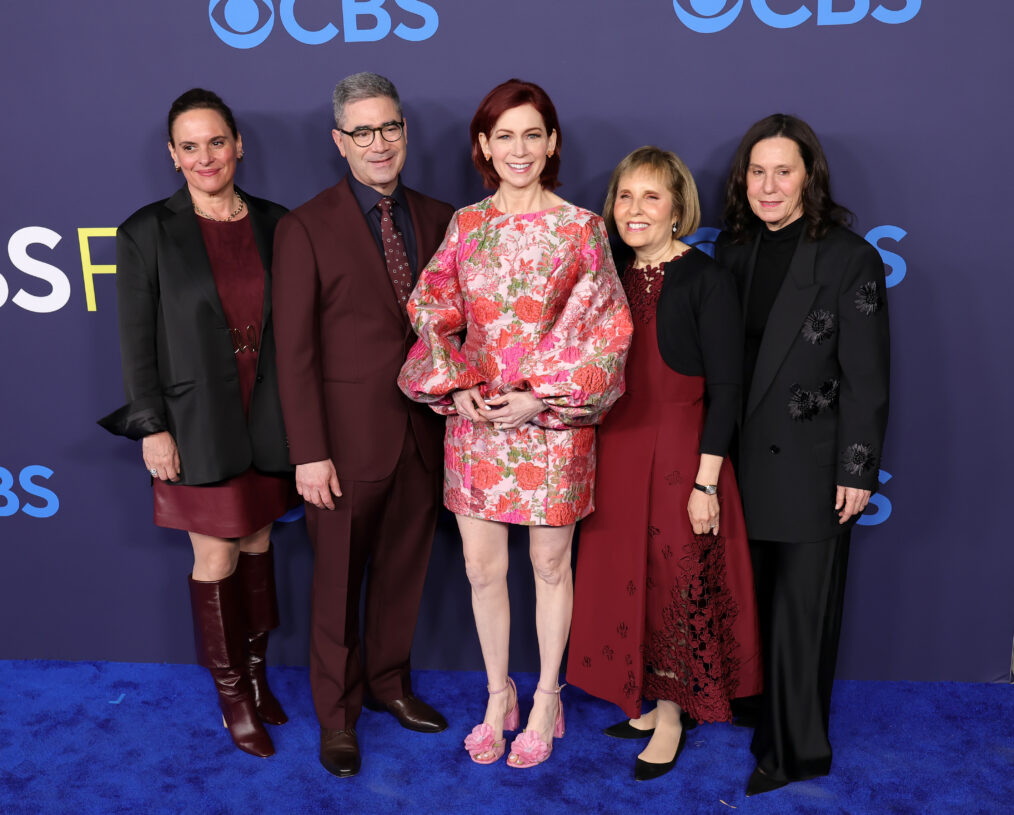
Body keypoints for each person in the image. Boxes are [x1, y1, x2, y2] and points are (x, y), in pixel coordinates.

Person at [398, 78, 632, 769]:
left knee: (550, 564)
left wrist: (542, 398)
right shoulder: (466, 225)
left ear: (553, 142)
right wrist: (457, 386)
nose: (519, 148)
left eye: (533, 134)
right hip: (477, 424)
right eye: (505, 136)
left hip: (554, 425)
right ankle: (498, 694)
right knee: (481, 568)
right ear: (483, 146)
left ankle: (546, 697)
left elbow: (607, 336)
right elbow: (432, 309)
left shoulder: (583, 227)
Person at [99, 89, 296, 758]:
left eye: (217, 141)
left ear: (238, 145)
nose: (205, 156)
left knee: (260, 542)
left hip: (267, 415)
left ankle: (261, 676)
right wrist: (152, 426)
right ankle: (233, 696)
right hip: (194, 421)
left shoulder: (279, 223)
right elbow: (135, 341)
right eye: (190, 146)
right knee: (215, 554)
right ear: (172, 156)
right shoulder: (145, 231)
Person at [271, 72, 453, 779]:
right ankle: (337, 716)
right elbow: (295, 354)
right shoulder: (304, 226)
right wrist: (309, 453)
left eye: (391, 128)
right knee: (338, 584)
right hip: (343, 448)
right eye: (363, 132)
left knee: (405, 572)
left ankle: (388, 684)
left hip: (425, 436)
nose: (380, 144)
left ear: (405, 132)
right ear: (339, 141)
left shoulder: (442, 217)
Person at [567, 147, 762, 781]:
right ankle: (646, 700)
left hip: (683, 454)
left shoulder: (706, 279)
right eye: (625, 196)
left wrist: (706, 479)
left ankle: (674, 715)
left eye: (651, 196)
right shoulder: (610, 275)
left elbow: (727, 388)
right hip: (616, 452)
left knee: (677, 583)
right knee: (628, 579)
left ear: (677, 206)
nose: (634, 210)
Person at [715, 114, 890, 796]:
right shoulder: (732, 252)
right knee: (750, 603)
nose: (768, 185)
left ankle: (797, 750)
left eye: (783, 171)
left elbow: (868, 378)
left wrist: (856, 468)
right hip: (738, 464)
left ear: (809, 177)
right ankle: (756, 711)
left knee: (800, 616)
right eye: (757, 172)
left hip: (812, 466)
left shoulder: (850, 258)